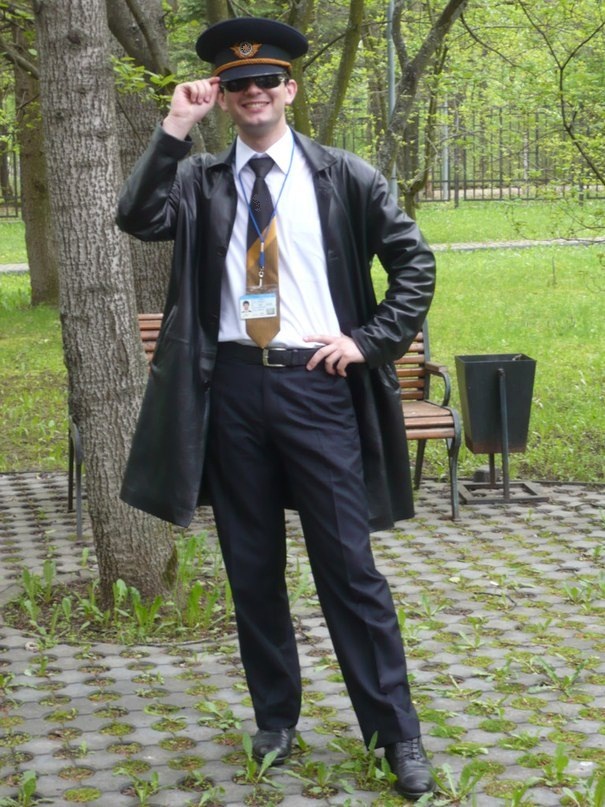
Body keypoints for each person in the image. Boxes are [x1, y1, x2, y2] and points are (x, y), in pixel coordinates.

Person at [117, 16, 436, 800]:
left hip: (315, 388)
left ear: (289, 89)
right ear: (223, 98)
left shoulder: (342, 176)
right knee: (251, 565)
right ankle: (275, 720)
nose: (253, 92)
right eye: (237, 84)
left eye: (266, 80)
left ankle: (395, 732)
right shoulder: (200, 180)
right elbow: (136, 217)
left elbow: (414, 263)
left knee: (348, 568)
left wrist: (370, 340)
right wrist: (173, 127)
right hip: (230, 390)